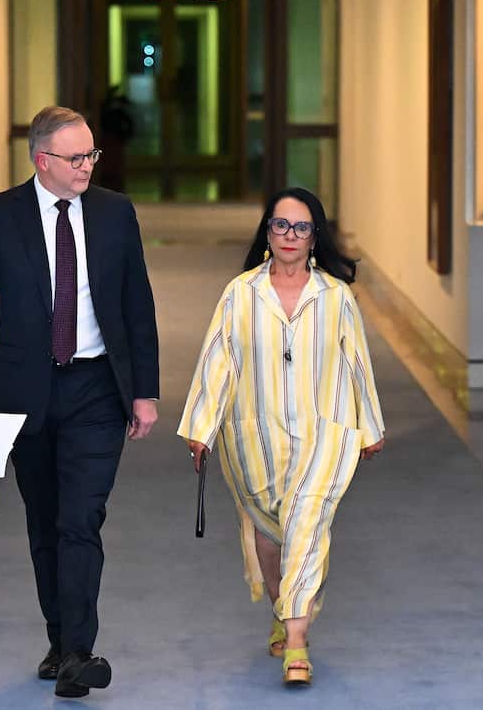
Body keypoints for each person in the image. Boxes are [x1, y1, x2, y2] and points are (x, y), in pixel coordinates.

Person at [0, 105, 160, 699]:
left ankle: (78, 653)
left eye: (92, 154)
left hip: (96, 389)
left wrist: (145, 391)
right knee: (44, 523)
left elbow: (136, 303)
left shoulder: (116, 213)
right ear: (43, 161)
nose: (89, 165)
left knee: (80, 520)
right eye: (76, 157)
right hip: (27, 394)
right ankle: (60, 641)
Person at [177, 187, 385, 687]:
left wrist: (370, 426)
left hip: (325, 435)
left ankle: (297, 643)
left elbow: (357, 362)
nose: (290, 235)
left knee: (307, 524)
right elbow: (218, 360)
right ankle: (282, 605)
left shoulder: (335, 296)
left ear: (316, 237)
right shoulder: (240, 293)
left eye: (302, 227)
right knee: (272, 532)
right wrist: (201, 429)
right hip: (253, 436)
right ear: (267, 232)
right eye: (280, 225)